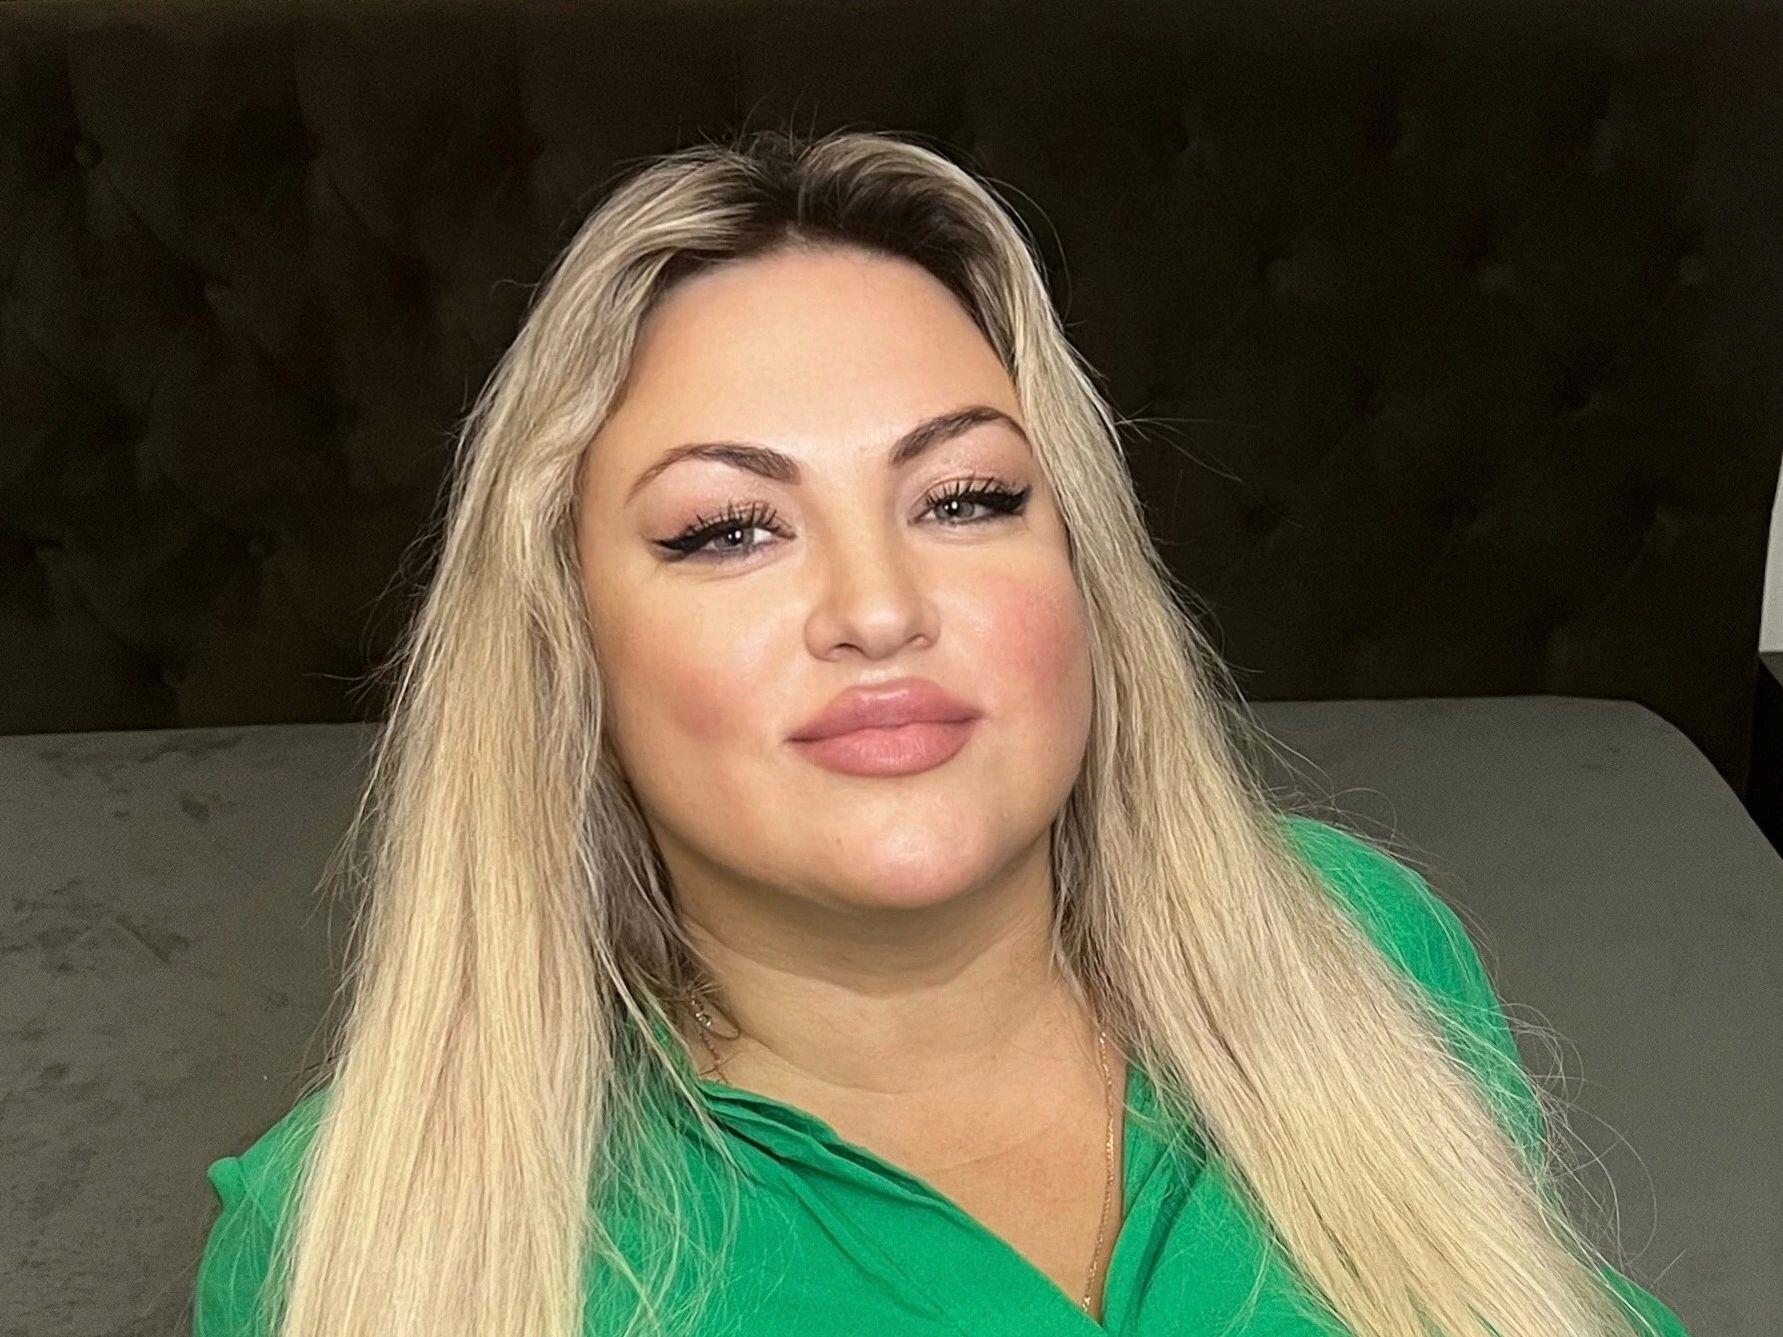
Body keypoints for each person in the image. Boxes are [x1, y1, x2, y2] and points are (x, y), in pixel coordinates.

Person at [193, 126, 1690, 1337]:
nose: (879, 607)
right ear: (568, 648)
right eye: (728, 529)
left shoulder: (1359, 945)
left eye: (966, 499)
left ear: (1083, 571)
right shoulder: (366, 1230)